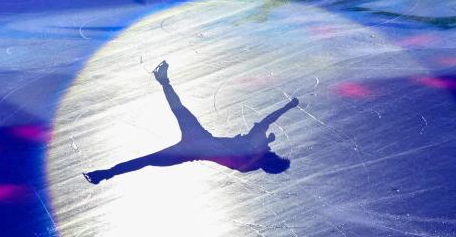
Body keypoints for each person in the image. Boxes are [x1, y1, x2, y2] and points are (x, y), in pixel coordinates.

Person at [83, 60, 298, 184]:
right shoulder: (256, 150)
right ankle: (163, 80)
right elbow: (265, 124)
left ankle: (105, 174)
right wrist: (284, 111)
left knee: (150, 155)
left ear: (270, 159)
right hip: (196, 141)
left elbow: (252, 142)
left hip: (192, 148)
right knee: (178, 110)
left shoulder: (250, 159)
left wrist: (266, 136)